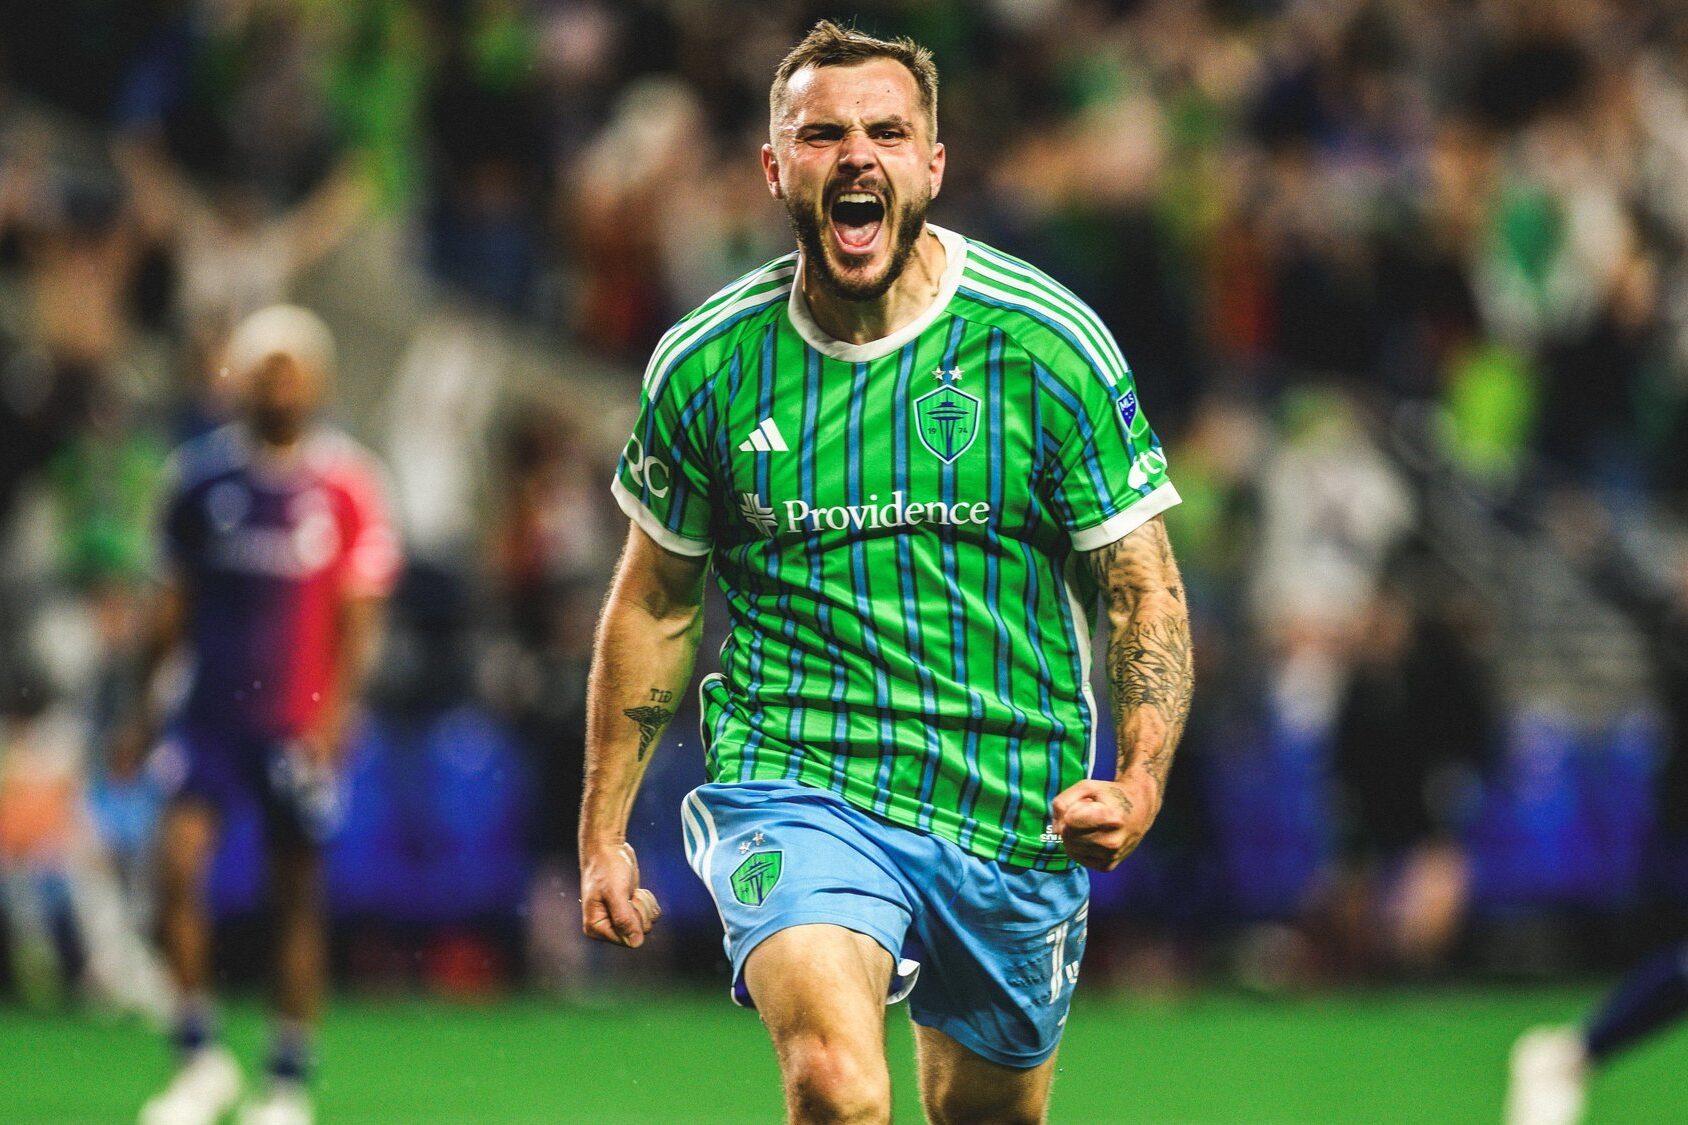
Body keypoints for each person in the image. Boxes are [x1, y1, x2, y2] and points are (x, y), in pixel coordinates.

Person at [577, 22, 1192, 1123]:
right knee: (834, 1087)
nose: (855, 153)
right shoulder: (708, 365)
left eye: (886, 131)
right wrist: (603, 831)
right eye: (821, 133)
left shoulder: (1046, 347)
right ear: (775, 168)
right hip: (800, 782)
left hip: (1008, 807)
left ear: (931, 165)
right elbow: (658, 600)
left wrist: (1137, 779)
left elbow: (1140, 587)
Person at [125, 305, 400, 1125]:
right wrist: (141, 708)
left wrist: (338, 713)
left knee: (295, 893)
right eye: (264, 369)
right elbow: (168, 607)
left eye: (292, 369)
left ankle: (286, 1081)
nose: (278, 384)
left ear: (315, 383)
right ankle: (197, 1055)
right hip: (206, 715)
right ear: (240, 381)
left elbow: (359, 616)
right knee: (174, 870)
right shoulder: (198, 481)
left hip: (296, 722)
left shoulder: (348, 485)